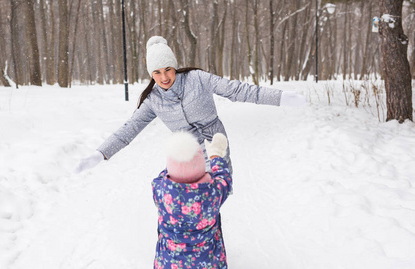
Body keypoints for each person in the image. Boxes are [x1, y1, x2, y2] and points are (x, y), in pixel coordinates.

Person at [74, 35, 306, 174]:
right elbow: (128, 130)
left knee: (214, 199)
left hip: (216, 146)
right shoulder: (153, 100)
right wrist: (100, 154)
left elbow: (236, 90)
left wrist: (280, 97)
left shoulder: (197, 79)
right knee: (189, 208)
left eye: (168, 70)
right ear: (151, 74)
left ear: (175, 67)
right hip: (186, 155)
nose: (164, 77)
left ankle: (212, 248)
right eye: (157, 72)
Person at [152, 131, 232, 269]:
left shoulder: (159, 190)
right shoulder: (213, 192)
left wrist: (178, 156)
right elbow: (224, 177)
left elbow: (162, 176)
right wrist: (216, 154)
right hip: (208, 267)